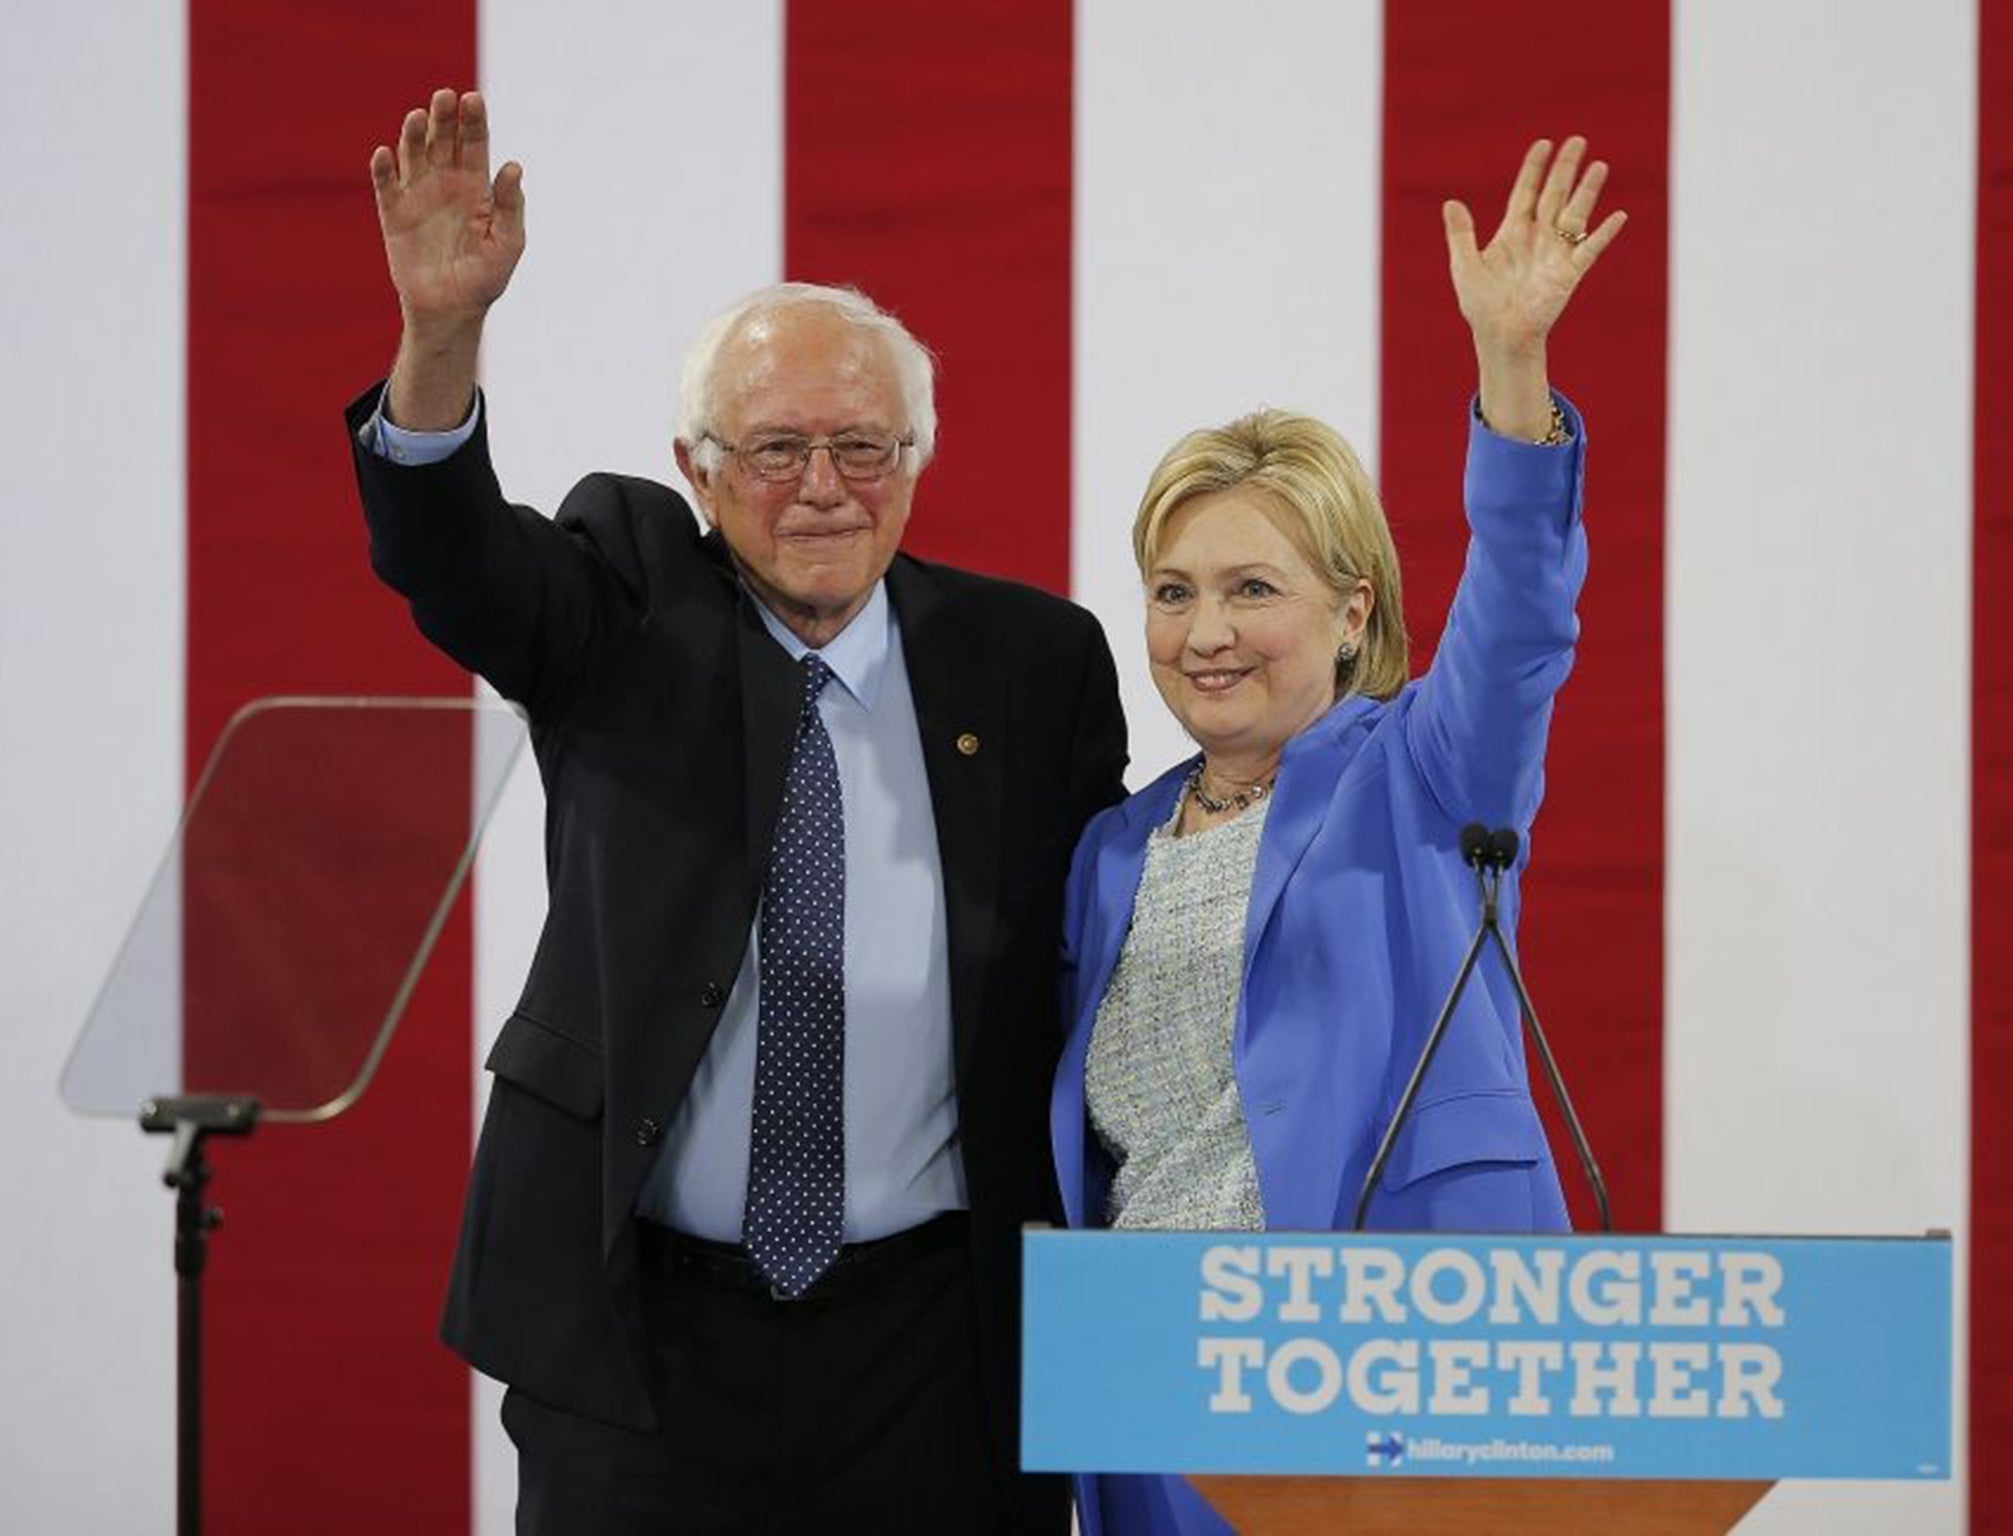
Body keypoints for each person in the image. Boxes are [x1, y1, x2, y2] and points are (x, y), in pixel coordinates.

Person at [348, 89, 1126, 1534]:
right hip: (646, 1342)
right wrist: (440, 338)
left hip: (936, 1347)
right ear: (699, 469)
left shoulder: (1034, 664)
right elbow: (451, 561)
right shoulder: (624, 602)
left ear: (917, 461)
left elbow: (1098, 951)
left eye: (862, 447)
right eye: (775, 451)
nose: (822, 488)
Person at [1050, 136, 1626, 1536]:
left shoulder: (1423, 772)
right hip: (1146, 1389)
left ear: (1355, 611)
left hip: (1385, 1379)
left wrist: (1511, 367)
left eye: (1253, 587)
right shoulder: (1108, 853)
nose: (1207, 632)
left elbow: (1521, 618)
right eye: (1174, 591)